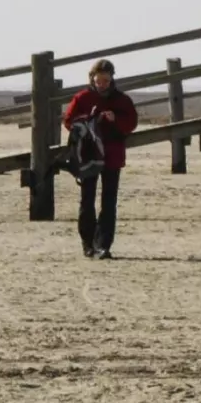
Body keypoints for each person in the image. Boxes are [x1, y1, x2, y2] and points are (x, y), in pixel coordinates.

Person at [62, 59, 138, 259]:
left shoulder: (122, 99)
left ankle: (103, 244)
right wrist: (88, 121)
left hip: (112, 155)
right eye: (99, 80)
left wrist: (115, 120)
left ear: (112, 78)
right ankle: (88, 244)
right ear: (92, 79)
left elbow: (131, 122)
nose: (102, 84)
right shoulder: (82, 98)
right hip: (89, 156)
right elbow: (69, 121)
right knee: (87, 199)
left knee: (109, 200)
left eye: (106, 80)